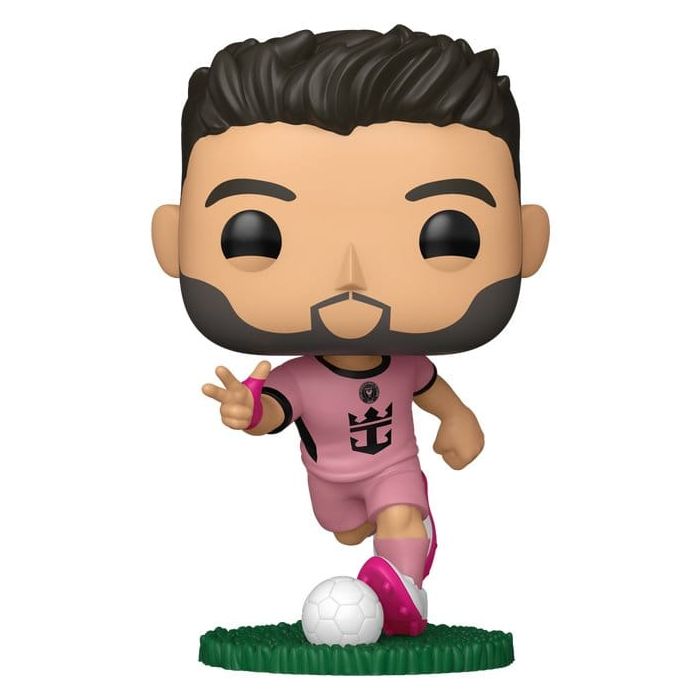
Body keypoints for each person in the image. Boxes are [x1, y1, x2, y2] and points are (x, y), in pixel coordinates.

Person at [152, 24, 549, 636]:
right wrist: (248, 409)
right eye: (254, 235)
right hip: (330, 484)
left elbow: (432, 390)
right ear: (172, 241)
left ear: (528, 240)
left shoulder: (405, 364)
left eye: (448, 233)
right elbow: (276, 410)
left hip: (394, 466)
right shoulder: (300, 375)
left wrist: (460, 418)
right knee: (346, 530)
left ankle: (408, 591)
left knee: (398, 515)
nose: (351, 278)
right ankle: (390, 543)